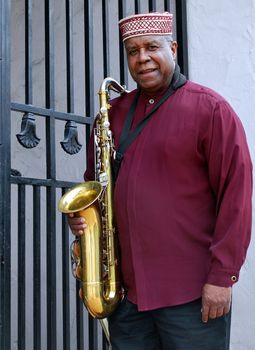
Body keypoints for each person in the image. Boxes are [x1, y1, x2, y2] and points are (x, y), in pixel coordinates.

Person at [67, 12, 253, 350]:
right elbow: (95, 190)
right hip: (127, 297)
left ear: (174, 48)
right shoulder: (112, 116)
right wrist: (81, 219)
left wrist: (223, 277)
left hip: (192, 296)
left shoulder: (211, 110)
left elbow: (236, 197)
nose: (143, 58)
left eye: (152, 47)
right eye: (133, 51)